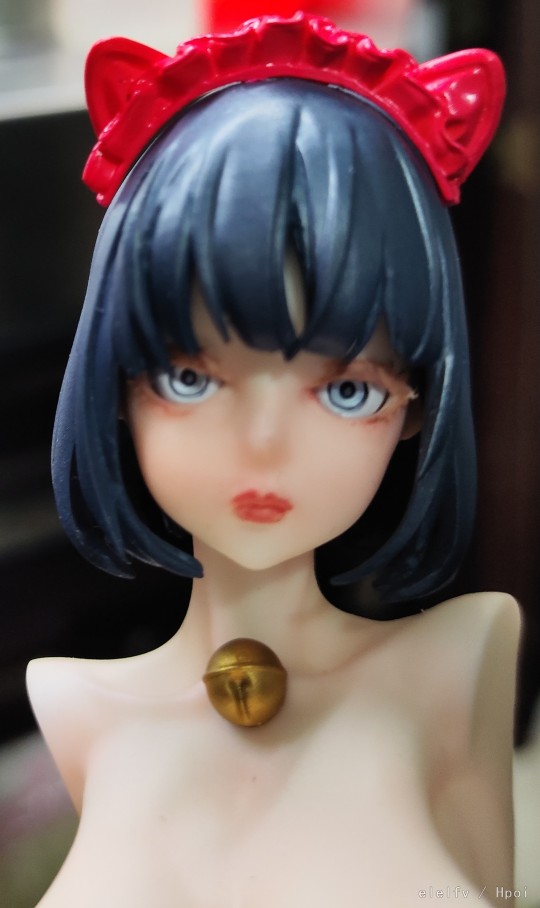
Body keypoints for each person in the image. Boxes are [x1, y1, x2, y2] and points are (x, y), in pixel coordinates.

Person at [28, 13, 518, 906]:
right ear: (117, 380)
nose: (264, 445)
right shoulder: (74, 704)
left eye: (348, 390)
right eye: (189, 378)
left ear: (417, 402)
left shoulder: (463, 657)